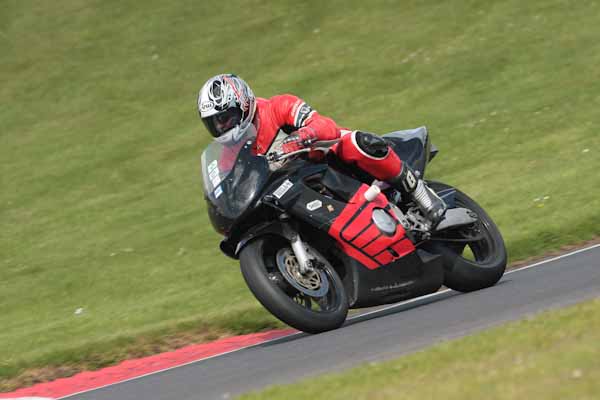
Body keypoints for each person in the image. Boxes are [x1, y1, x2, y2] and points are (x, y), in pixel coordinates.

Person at [197, 74, 446, 226]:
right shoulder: (229, 153)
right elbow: (230, 189)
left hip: (325, 158)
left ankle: (420, 193)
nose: (222, 127)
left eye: (225, 118)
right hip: (291, 191)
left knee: (357, 142)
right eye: (214, 123)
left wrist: (299, 139)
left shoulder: (278, 107)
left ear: (243, 104)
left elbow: (325, 126)